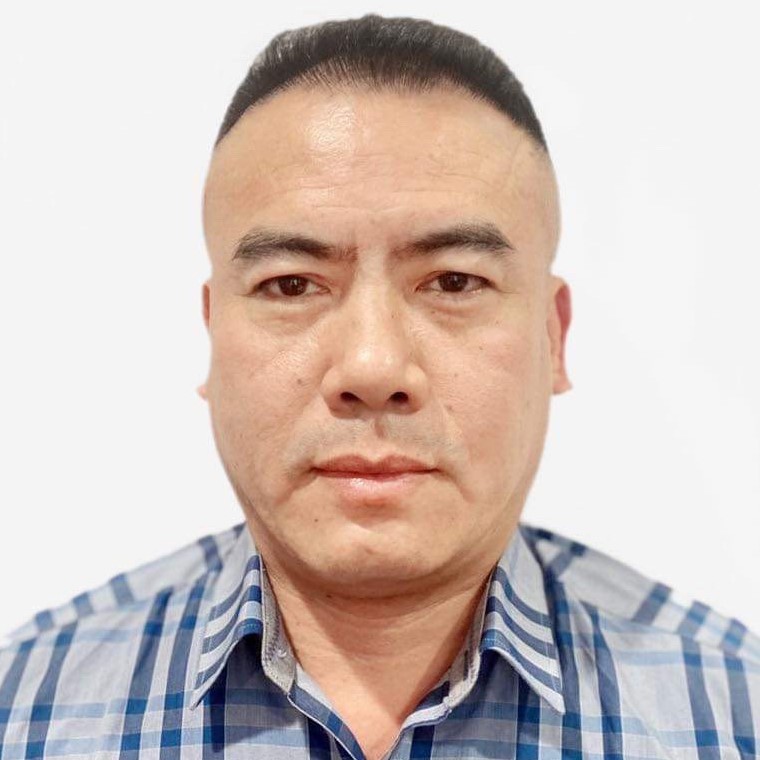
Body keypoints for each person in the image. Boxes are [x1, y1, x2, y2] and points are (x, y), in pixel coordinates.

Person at [1, 13, 757, 760]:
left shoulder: (735, 713)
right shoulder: (24, 709)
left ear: (552, 339)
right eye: (291, 284)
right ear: (212, 333)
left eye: (454, 281)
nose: (372, 367)